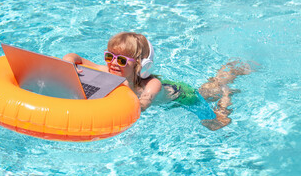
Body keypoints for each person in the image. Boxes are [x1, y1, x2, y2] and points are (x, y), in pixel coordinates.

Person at [63, 32, 252, 131]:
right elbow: (73, 57)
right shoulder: (109, 68)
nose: (112, 63)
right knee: (210, 90)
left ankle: (227, 90)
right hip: (167, 100)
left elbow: (143, 104)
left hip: (182, 96)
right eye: (108, 56)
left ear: (141, 66)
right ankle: (224, 79)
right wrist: (68, 64)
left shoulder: (152, 85)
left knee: (216, 122)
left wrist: (125, 91)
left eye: (121, 60)